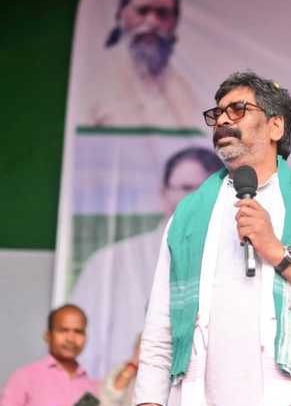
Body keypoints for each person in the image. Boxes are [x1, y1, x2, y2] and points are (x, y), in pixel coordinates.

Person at [132, 71, 291, 406]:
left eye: (238, 110)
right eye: (218, 113)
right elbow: (161, 324)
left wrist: (278, 251)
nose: (222, 120)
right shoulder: (186, 217)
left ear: (276, 126)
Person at [71, 147, 224, 379]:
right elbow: (83, 354)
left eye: (205, 190)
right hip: (126, 394)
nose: (195, 199)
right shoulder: (110, 263)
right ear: (163, 193)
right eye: (186, 188)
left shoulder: (236, 260)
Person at [82, 0, 200, 129]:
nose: (152, 22)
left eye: (162, 14)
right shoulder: (95, 79)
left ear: (174, 23)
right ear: (121, 16)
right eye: (142, 11)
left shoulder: (185, 91)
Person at [0, 304, 101, 406]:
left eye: (78, 332)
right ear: (48, 335)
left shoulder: (91, 386)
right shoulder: (25, 377)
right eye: (63, 330)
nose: (71, 339)